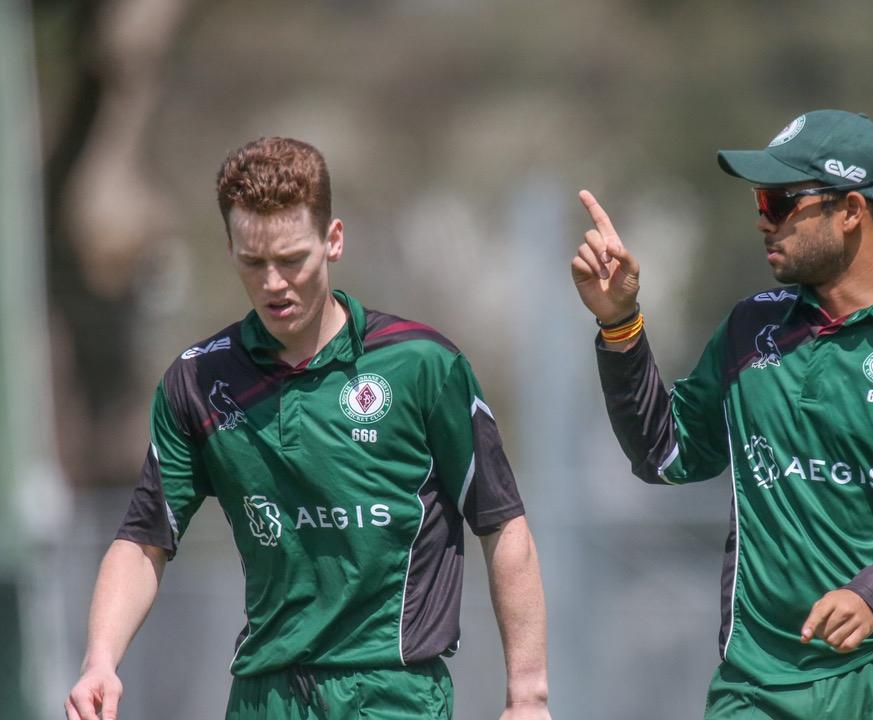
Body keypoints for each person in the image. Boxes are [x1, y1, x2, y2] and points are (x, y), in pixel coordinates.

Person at [65, 137, 552, 720]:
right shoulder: (197, 381)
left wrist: (528, 695)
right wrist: (100, 659)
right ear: (230, 250)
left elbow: (502, 525)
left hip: (391, 694)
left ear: (333, 241)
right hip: (264, 696)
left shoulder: (422, 366)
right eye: (254, 262)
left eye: (292, 259)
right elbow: (145, 538)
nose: (274, 283)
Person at [572, 110, 873, 719]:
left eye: (779, 202)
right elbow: (665, 453)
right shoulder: (751, 326)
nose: (761, 219)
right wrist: (619, 324)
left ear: (851, 210)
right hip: (756, 686)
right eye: (758, 200)